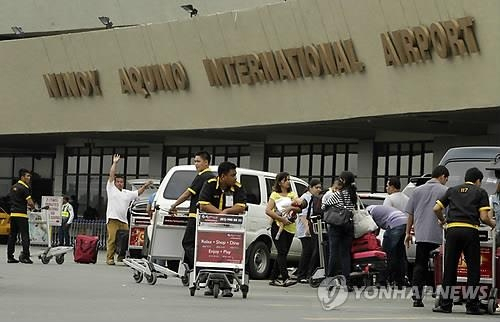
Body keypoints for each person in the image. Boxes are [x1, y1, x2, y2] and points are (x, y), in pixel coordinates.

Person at [433, 167, 495, 315]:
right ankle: (472, 306)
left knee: (450, 267)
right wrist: (493, 224)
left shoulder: (452, 190)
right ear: (478, 180)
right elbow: (484, 217)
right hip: (470, 231)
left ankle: (446, 305)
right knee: (473, 268)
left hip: (452, 231)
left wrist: (443, 221)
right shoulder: (480, 192)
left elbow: (436, 208)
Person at [198, 161, 247, 297]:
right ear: (223, 176)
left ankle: (227, 286)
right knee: (211, 253)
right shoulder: (210, 184)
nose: (235, 177)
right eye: (233, 175)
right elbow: (203, 204)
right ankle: (210, 284)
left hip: (230, 228)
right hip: (209, 227)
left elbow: (241, 206)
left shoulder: (238, 187)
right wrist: (220, 214)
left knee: (228, 255)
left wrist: (227, 212)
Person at [404, 165, 449, 307]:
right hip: (439, 235)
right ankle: (440, 294)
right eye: (446, 179)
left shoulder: (417, 191)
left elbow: (410, 213)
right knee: (441, 266)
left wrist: (407, 233)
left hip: (421, 234)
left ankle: (417, 298)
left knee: (420, 265)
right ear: (442, 176)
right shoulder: (445, 191)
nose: (445, 182)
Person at [169, 151, 214, 270]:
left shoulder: (202, 176)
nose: (196, 164)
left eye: (198, 161)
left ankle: (198, 267)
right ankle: (189, 269)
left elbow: (187, 194)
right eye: (195, 161)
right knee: (199, 244)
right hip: (206, 217)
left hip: (196, 215)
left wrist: (174, 205)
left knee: (187, 243)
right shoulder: (213, 177)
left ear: (206, 162)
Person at [106, 154, 152, 265]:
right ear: (115, 182)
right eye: (118, 182)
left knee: (125, 239)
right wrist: (115, 163)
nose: (120, 183)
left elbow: (137, 193)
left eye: (121, 182)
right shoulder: (111, 188)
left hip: (124, 220)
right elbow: (111, 175)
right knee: (112, 239)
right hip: (112, 219)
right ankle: (109, 258)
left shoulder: (127, 193)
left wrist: (145, 186)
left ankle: (121, 256)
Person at [266, 172, 304, 287]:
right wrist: (280, 219)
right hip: (277, 227)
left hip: (290, 227)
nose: (288, 182)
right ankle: (285, 277)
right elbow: (268, 210)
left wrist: (292, 207)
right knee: (281, 251)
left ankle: (273, 277)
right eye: (285, 180)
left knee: (283, 253)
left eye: (288, 179)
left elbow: (300, 208)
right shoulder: (274, 195)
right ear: (280, 182)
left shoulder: (292, 194)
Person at [322, 171, 357, 290]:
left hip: (336, 226)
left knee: (333, 253)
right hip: (348, 225)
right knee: (345, 254)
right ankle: (347, 282)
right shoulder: (353, 195)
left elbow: (324, 205)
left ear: (344, 181)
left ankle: (330, 281)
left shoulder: (339, 194)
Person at [366, 205, 408, 288]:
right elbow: (376, 230)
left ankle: (382, 281)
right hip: (405, 222)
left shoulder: (368, 211)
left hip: (394, 224)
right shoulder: (378, 208)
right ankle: (400, 280)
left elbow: (372, 228)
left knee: (385, 254)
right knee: (400, 254)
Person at [295, 179, 323, 283]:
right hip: (305, 229)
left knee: (312, 251)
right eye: (316, 187)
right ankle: (301, 275)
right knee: (307, 251)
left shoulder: (314, 198)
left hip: (312, 227)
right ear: (310, 187)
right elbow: (302, 215)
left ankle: (307, 274)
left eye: (320, 187)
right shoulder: (305, 197)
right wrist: (307, 227)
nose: (318, 190)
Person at [7, 169, 36, 264]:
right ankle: (26, 257)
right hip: (21, 215)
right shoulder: (25, 188)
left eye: (29, 176)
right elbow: (30, 202)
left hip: (13, 214)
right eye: (27, 176)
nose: (29, 178)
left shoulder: (13, 187)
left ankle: (10, 257)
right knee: (25, 236)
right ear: (22, 177)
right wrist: (33, 207)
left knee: (12, 236)